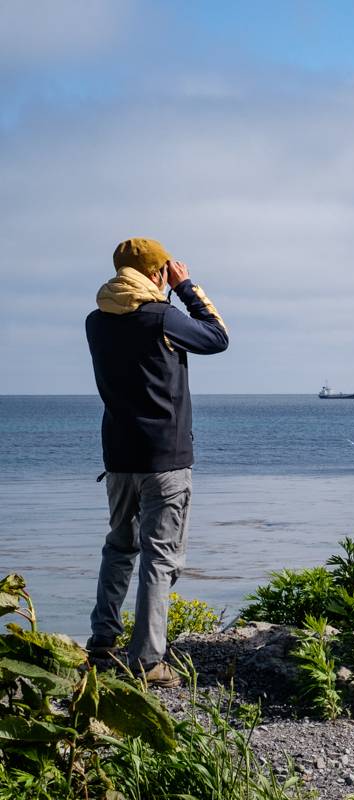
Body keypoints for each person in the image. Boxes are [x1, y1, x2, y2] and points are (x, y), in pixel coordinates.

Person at [85, 237, 229, 688]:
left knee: (119, 548)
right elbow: (218, 337)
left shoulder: (96, 321)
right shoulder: (161, 317)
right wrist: (186, 287)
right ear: (158, 274)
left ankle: (102, 645)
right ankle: (147, 660)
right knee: (160, 559)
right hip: (165, 459)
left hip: (119, 457)